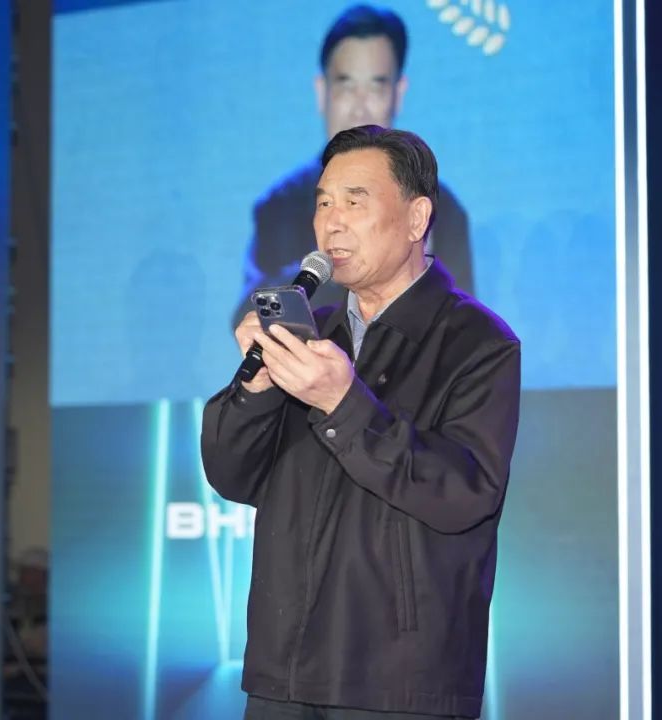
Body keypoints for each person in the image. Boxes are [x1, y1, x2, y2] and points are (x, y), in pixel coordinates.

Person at [201, 125, 520, 719]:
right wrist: (257, 389)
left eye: (355, 201)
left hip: (397, 683)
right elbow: (231, 475)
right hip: (282, 674)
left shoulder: (477, 343)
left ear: (417, 218)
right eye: (323, 203)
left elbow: (464, 494)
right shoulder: (312, 334)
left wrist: (344, 402)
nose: (332, 222)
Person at [233, 5, 473, 325]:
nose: (360, 107)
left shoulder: (439, 208)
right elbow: (248, 314)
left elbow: (464, 325)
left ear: (398, 94)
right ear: (322, 92)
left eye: (375, 87)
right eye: (346, 86)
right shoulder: (281, 206)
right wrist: (335, 268)